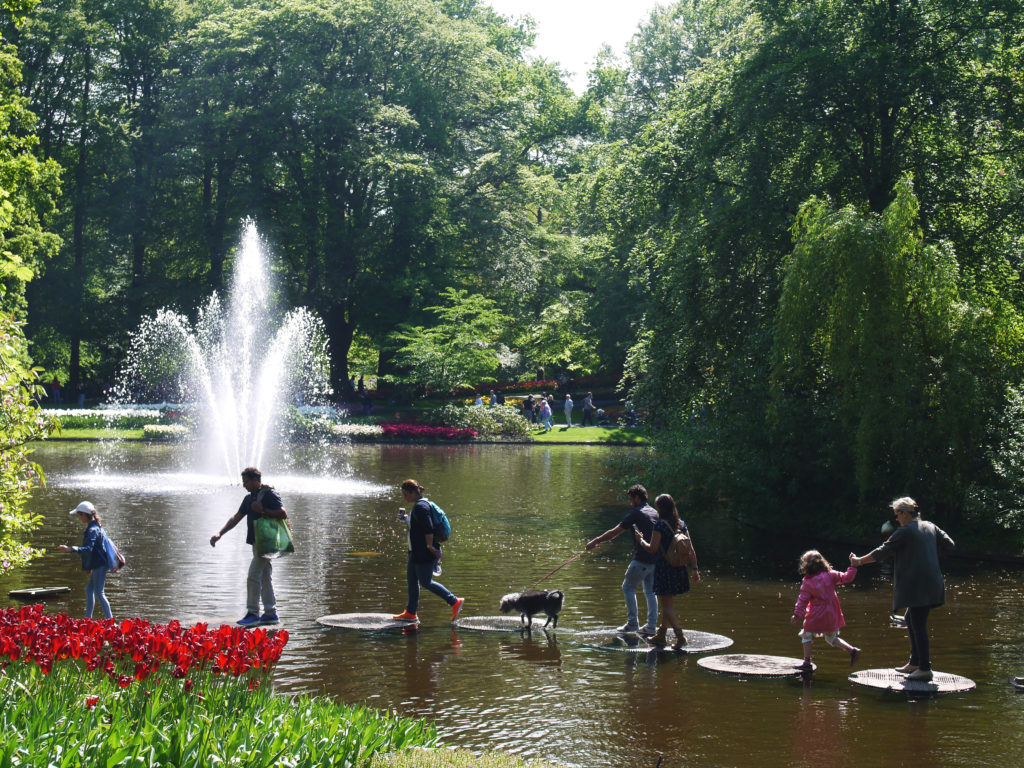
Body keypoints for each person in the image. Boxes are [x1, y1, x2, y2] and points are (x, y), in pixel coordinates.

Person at [850, 497, 954, 682]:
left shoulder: (904, 532)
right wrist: (928, 554)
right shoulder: (931, 526)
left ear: (905, 513)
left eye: (897, 514)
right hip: (933, 583)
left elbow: (882, 552)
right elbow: (950, 545)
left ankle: (925, 668)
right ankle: (915, 662)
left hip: (918, 585)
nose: (896, 519)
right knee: (910, 618)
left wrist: (859, 561)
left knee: (918, 623)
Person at [210, 467, 289, 626]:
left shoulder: (269, 494)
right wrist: (220, 534)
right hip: (257, 543)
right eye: (243, 482)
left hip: (268, 543)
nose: (244, 485)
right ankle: (270, 613)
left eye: (246, 481)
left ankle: (253, 613)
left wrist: (263, 510)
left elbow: (282, 513)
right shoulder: (249, 498)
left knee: (253, 575)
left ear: (255, 480)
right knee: (265, 577)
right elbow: (236, 518)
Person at [585, 484, 659, 636]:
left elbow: (614, 533)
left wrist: (596, 541)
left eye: (631, 499)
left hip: (643, 558)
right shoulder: (654, 512)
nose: (630, 502)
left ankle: (633, 624)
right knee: (651, 592)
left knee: (628, 587)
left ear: (637, 498)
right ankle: (651, 626)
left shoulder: (636, 513)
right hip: (656, 559)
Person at [633, 493, 700, 648]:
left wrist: (640, 540)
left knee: (667, 606)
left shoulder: (660, 525)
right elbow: (690, 549)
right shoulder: (681, 524)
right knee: (668, 604)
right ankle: (661, 636)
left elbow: (652, 549)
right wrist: (695, 569)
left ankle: (680, 637)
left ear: (660, 509)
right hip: (680, 568)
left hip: (665, 569)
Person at [393, 479, 464, 623]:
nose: (405, 498)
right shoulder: (420, 506)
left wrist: (431, 547)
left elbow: (428, 528)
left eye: (406, 494)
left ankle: (454, 601)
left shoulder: (421, 507)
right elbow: (419, 525)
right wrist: (407, 519)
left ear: (413, 493)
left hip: (424, 552)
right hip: (414, 551)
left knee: (425, 582)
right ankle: (411, 613)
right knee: (412, 581)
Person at [790, 550, 860, 671]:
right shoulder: (831, 575)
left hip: (816, 615)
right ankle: (852, 650)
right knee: (831, 637)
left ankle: (807, 662)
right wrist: (853, 566)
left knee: (806, 635)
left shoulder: (808, 582)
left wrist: (797, 614)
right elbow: (847, 578)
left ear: (806, 566)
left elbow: (802, 600)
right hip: (832, 614)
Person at [58, 501, 113, 620]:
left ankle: (111, 622)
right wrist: (89, 566)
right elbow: (96, 550)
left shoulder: (92, 529)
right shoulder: (95, 526)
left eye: (79, 515)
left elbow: (88, 549)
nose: (78, 518)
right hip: (98, 564)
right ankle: (87, 619)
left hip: (100, 564)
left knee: (99, 592)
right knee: (89, 590)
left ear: (84, 515)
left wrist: (70, 549)